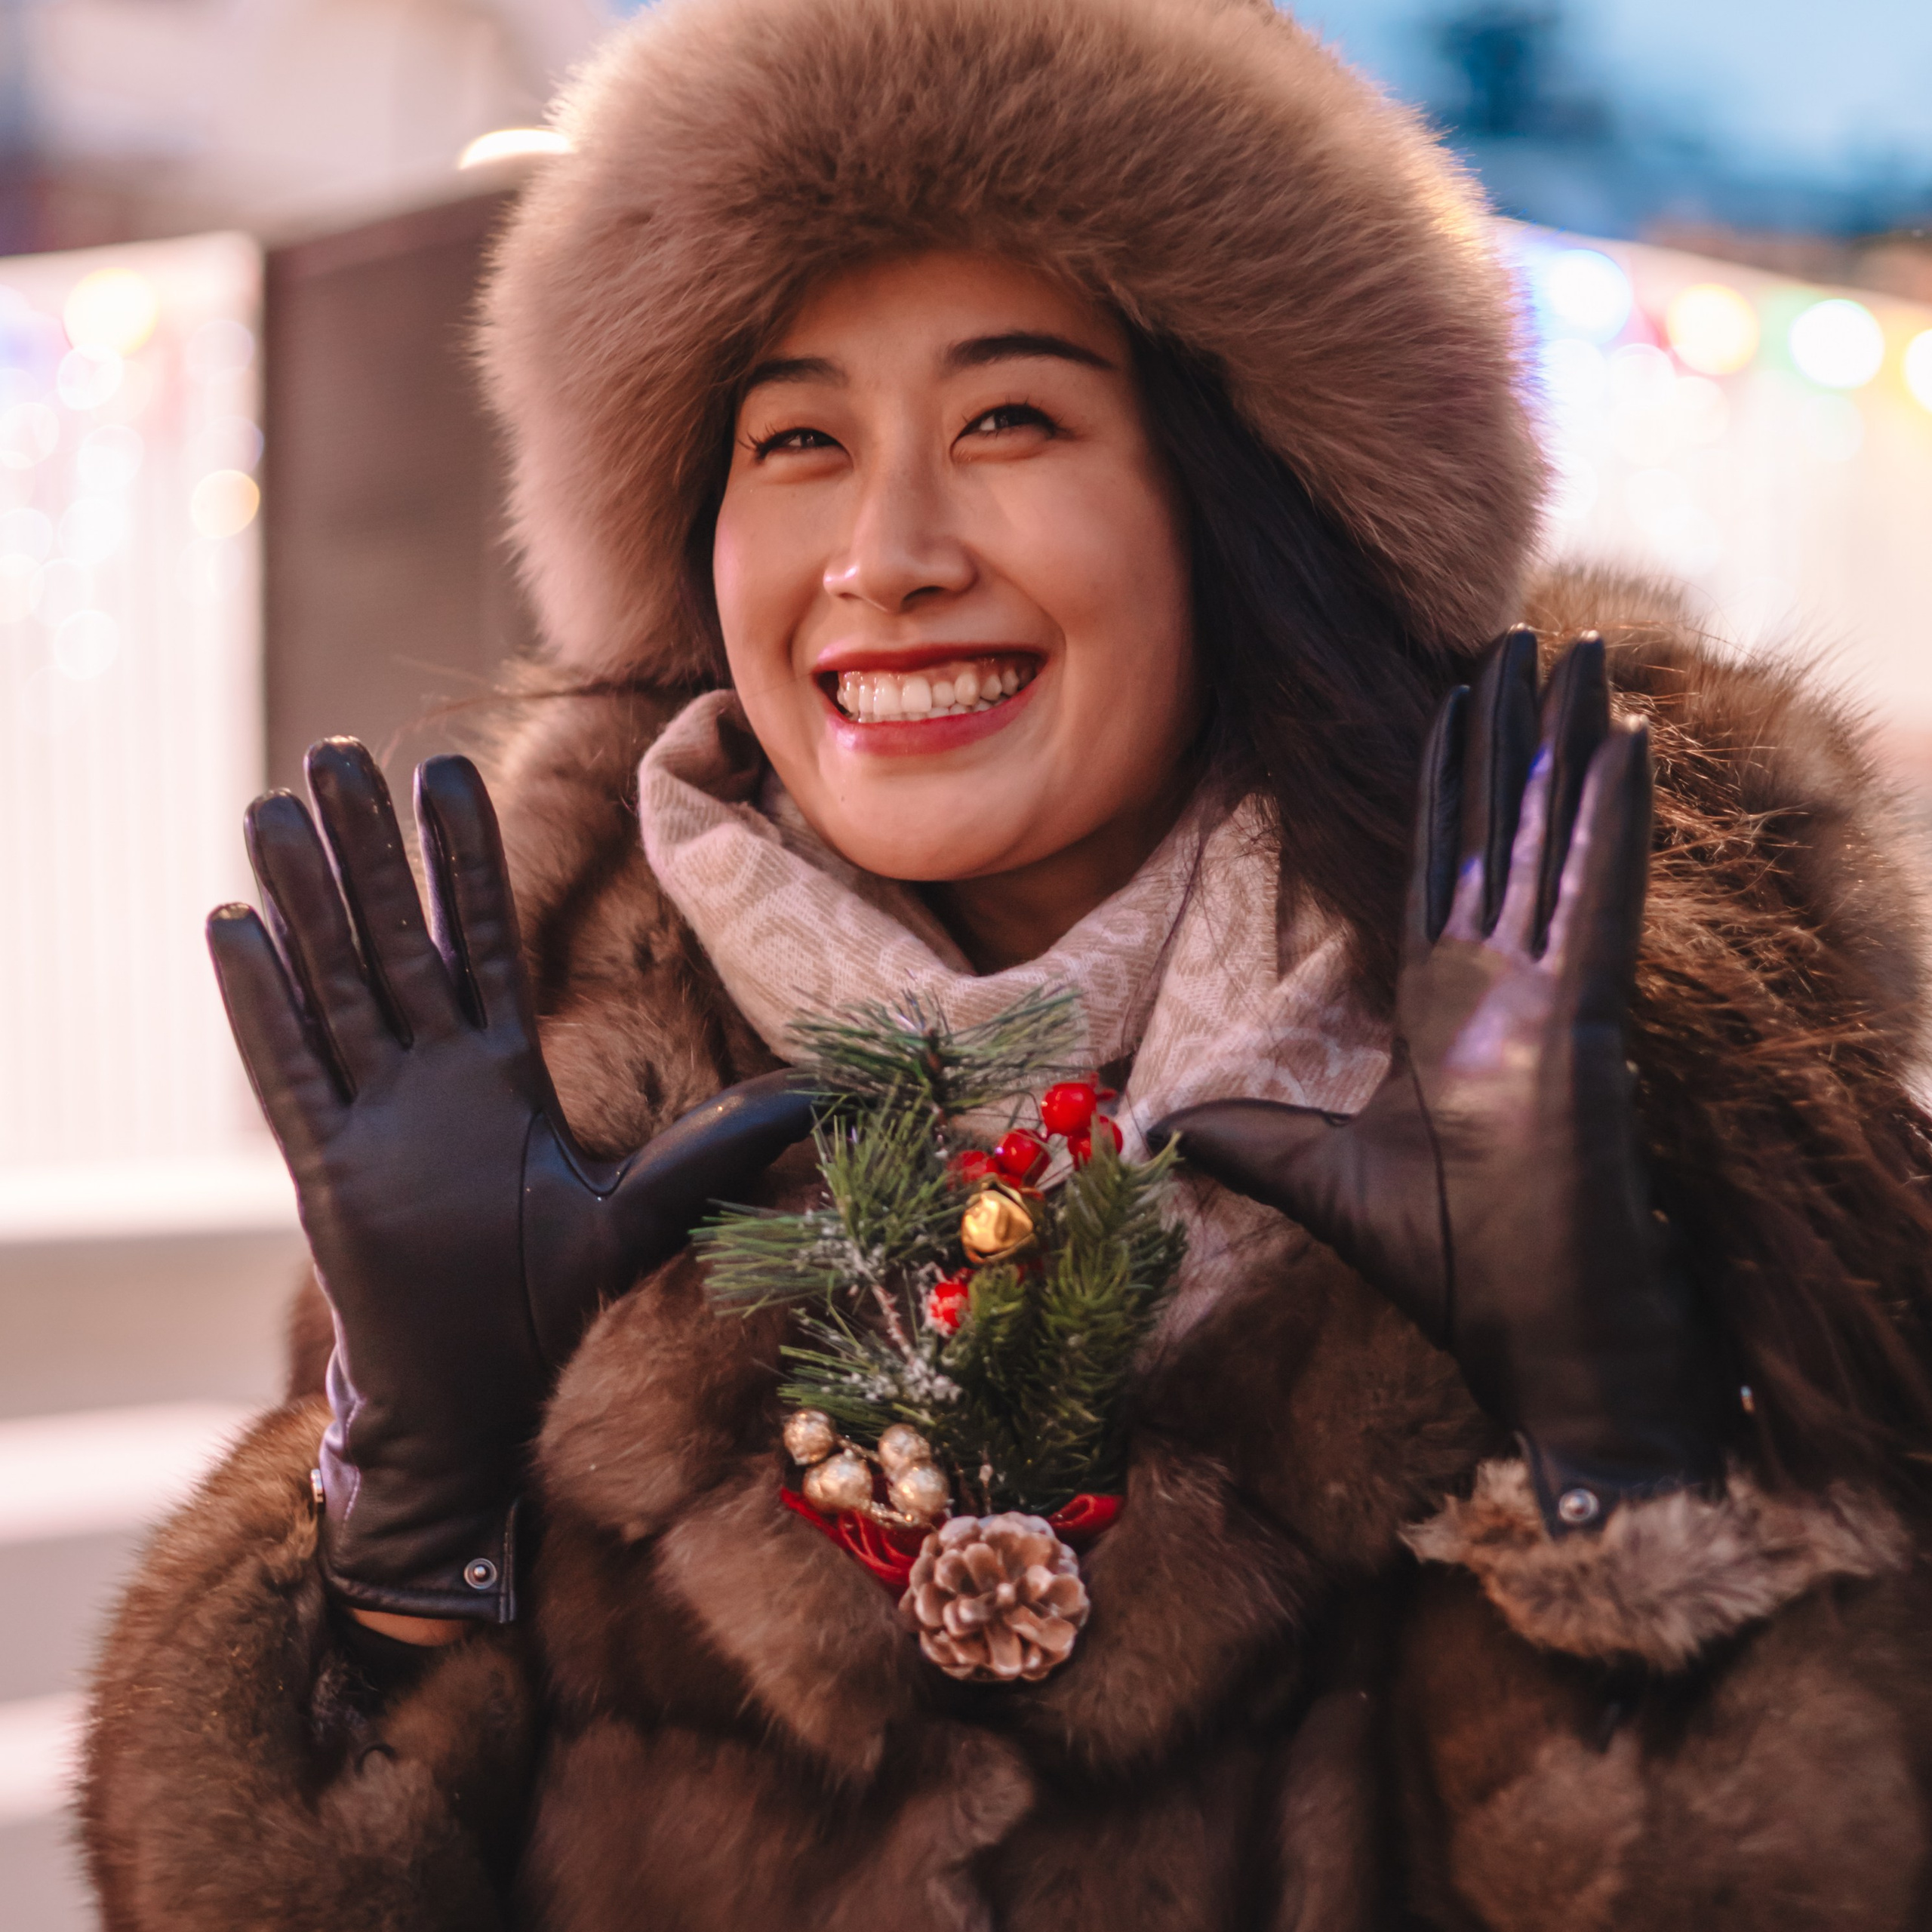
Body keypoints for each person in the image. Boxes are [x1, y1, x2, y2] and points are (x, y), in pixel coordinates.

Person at [81, 0, 1932, 1924]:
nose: (882, 550)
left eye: (1007, 418)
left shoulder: (1607, 1059)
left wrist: (1611, 1439)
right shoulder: (533, 1083)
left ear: (1243, 508)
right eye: (794, 438)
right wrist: (413, 1501)